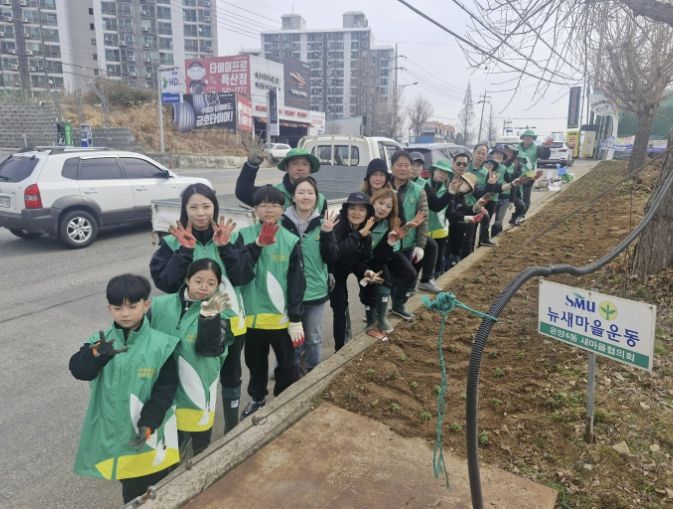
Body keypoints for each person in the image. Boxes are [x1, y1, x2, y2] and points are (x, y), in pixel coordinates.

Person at [149, 183, 254, 435]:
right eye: (193, 207)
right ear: (184, 209)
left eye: (206, 206)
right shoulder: (172, 242)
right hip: (189, 325)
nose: (200, 213)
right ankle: (190, 431)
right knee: (193, 376)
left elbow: (244, 276)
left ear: (214, 207)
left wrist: (226, 248)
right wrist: (184, 252)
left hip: (230, 321)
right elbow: (166, 283)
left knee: (231, 374)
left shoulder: (231, 236)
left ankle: (231, 426)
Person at [70, 274, 180, 504]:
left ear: (146, 305)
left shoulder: (162, 344)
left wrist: (149, 422)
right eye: (118, 308)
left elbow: (166, 389)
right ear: (109, 308)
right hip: (118, 437)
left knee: (159, 488)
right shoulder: (100, 342)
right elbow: (79, 371)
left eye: (132, 306)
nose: (125, 313)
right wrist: (95, 355)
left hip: (151, 434)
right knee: (132, 492)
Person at [232, 185, 306, 419]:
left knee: (287, 364)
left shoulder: (290, 240)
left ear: (283, 209)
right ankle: (257, 398)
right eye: (263, 205)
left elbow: (297, 282)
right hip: (252, 318)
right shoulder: (242, 236)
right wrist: (257, 246)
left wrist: (295, 318)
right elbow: (238, 273)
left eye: (274, 205)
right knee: (256, 364)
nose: (269, 210)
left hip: (282, 320)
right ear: (255, 209)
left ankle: (283, 399)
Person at [150, 259, 231, 457]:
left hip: (198, 385)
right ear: (187, 280)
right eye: (198, 281)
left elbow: (210, 349)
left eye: (211, 283)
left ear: (217, 286)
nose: (204, 287)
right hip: (165, 387)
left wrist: (209, 318)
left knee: (199, 442)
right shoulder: (159, 305)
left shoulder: (221, 312)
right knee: (168, 442)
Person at [281, 177, 339, 374]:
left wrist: (327, 235)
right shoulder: (281, 223)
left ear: (316, 197)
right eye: (301, 192)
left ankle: (312, 370)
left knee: (312, 337)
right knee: (291, 337)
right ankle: (291, 370)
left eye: (310, 193)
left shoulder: (324, 223)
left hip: (315, 291)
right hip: (288, 292)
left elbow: (332, 258)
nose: (306, 197)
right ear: (293, 197)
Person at [360, 188, 417, 339]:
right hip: (359, 260)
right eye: (380, 203)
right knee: (367, 289)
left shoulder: (388, 224)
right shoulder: (362, 218)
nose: (383, 208)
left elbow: (381, 255)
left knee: (385, 284)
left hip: (377, 257)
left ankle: (382, 315)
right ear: (372, 201)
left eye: (388, 206)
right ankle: (370, 320)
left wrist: (391, 242)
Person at [330, 191, 375, 349]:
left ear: (367, 213)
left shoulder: (366, 233)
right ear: (346, 209)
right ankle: (340, 348)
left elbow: (361, 260)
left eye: (361, 209)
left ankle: (372, 321)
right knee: (340, 307)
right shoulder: (338, 224)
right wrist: (358, 235)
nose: (356, 213)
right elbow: (337, 254)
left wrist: (366, 272)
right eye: (352, 208)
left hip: (346, 268)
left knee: (372, 283)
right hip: (331, 272)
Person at [389, 150, 430, 319]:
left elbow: (424, 219)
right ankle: (379, 308)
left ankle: (398, 305)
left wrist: (420, 245)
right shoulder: (383, 186)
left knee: (406, 277)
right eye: (399, 165)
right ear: (392, 167)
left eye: (407, 165)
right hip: (385, 243)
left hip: (406, 243)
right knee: (384, 279)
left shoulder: (418, 191)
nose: (403, 169)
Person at [236, 145, 328, 214]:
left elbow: (327, 229)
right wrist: (251, 166)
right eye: (295, 163)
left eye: (305, 164)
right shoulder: (273, 193)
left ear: (310, 169)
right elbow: (243, 193)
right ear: (286, 168)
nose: (300, 168)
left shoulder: (320, 200)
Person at [424, 159, 453, 278]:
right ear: (433, 171)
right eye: (440, 170)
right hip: (423, 231)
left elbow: (450, 212)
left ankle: (437, 279)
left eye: (446, 172)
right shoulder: (424, 185)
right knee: (423, 261)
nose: (442, 174)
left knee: (438, 260)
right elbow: (436, 205)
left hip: (441, 231)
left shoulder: (448, 189)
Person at [516, 130, 551, 221]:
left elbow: (545, 156)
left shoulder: (537, 148)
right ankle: (517, 214)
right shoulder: (517, 147)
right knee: (516, 197)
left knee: (526, 197)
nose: (528, 138)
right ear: (522, 138)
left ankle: (522, 215)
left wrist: (546, 148)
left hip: (529, 175)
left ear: (533, 138)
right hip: (516, 175)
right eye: (526, 136)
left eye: (530, 137)